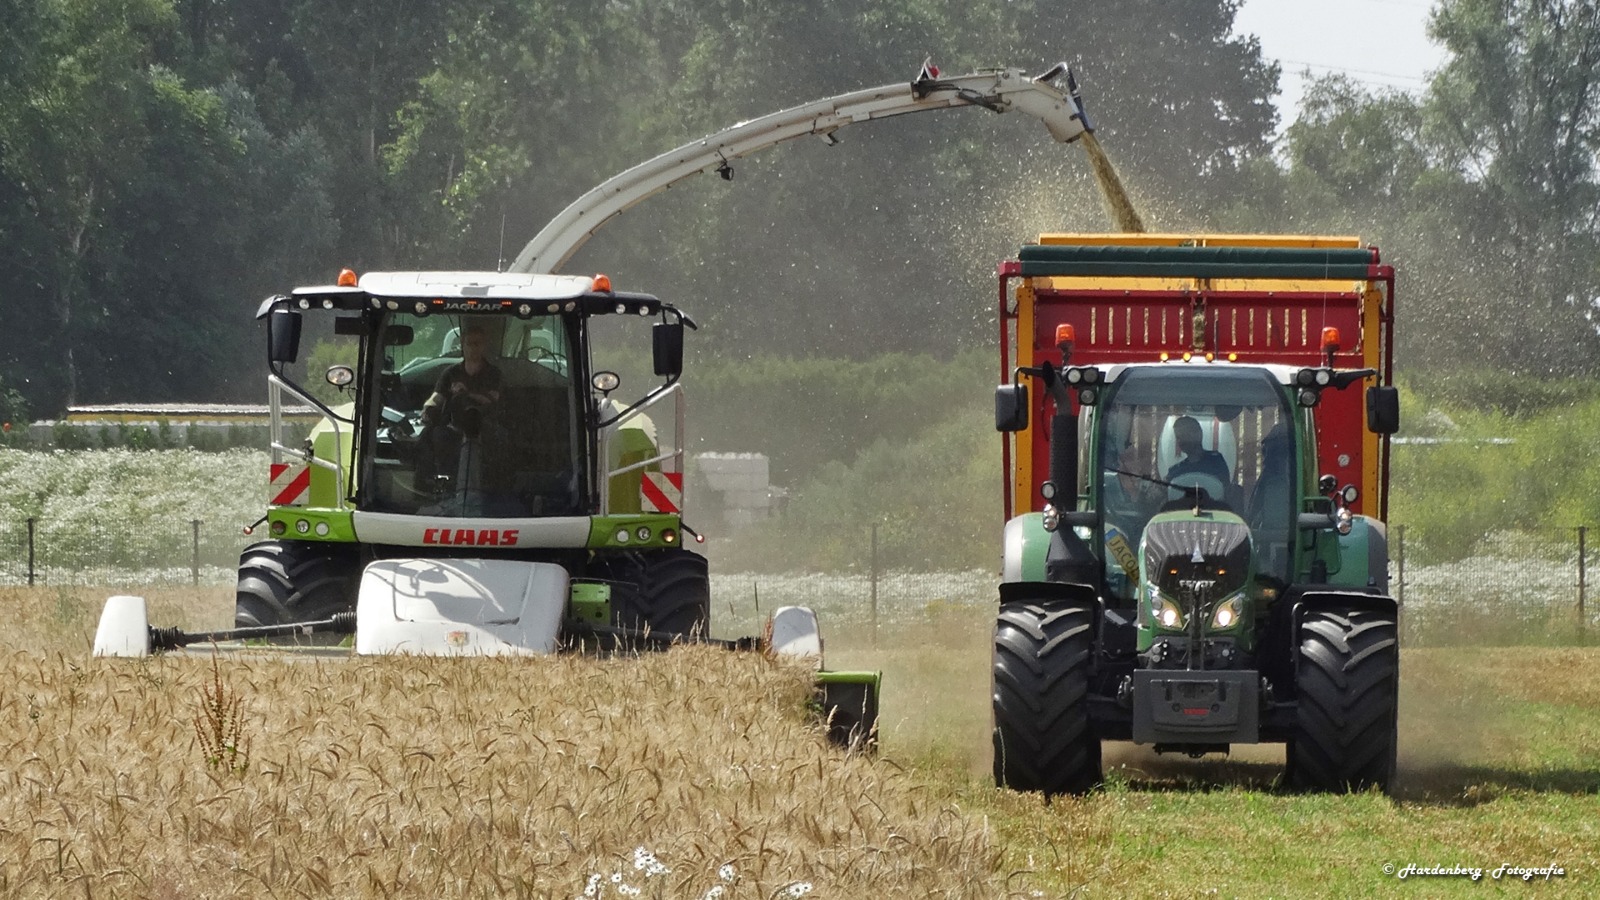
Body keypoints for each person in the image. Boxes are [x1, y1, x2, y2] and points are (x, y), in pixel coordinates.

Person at [1166, 415, 1231, 486]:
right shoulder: (1174, 472)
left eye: (1185, 435)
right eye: (1178, 437)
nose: (1181, 440)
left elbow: (1226, 491)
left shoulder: (1217, 462)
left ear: (1199, 434)